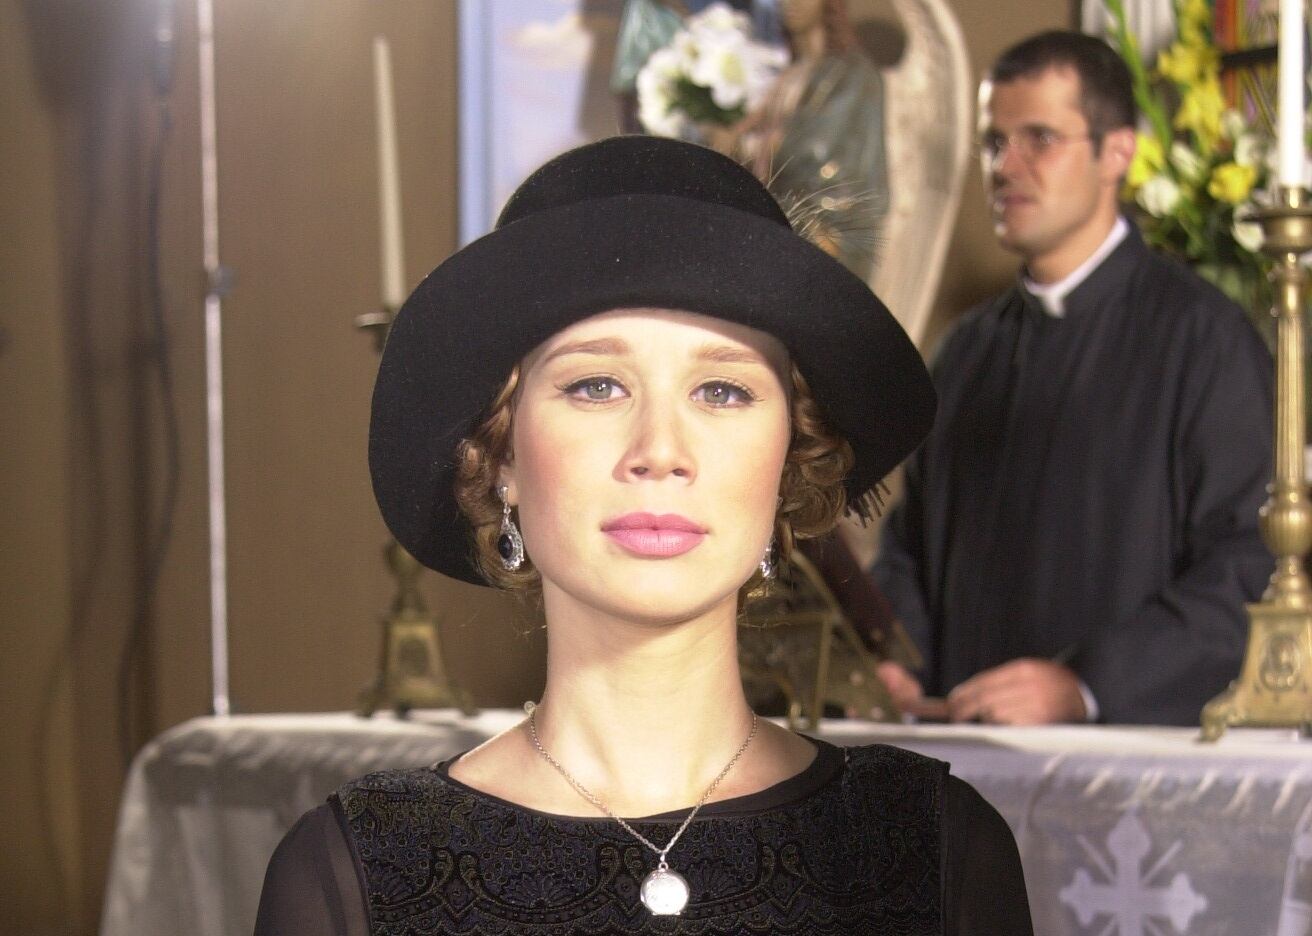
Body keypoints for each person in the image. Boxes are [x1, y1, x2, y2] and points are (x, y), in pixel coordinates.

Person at [253, 135, 1033, 934]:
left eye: (722, 391)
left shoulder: (935, 849)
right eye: (597, 385)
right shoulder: (360, 876)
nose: (660, 450)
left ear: (788, 462)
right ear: (501, 457)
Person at [873, 31, 1274, 727]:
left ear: (1117, 152)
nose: (1006, 167)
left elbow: (1248, 568)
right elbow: (910, 547)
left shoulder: (1206, 339)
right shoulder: (966, 350)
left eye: (1040, 139)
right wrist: (895, 662)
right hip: (960, 749)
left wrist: (1087, 685)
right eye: (994, 142)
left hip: (1127, 756)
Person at [715, 0, 889, 282]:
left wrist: (742, 144)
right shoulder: (788, 77)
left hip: (829, 226)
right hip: (782, 222)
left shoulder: (854, 73)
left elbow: (815, 148)